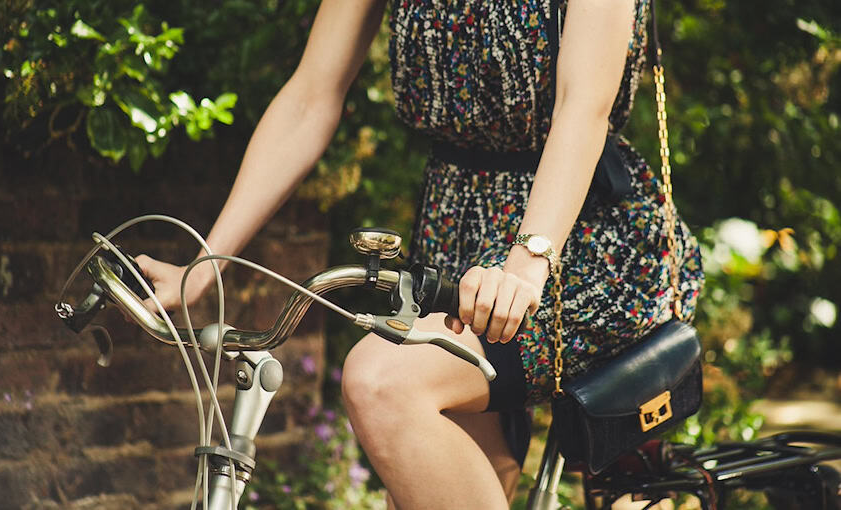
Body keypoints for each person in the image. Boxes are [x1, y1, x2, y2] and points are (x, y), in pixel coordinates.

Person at [136, 0, 705, 508]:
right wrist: (206, 265)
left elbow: (582, 111)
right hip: (454, 226)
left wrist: (528, 264)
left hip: (577, 234)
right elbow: (311, 96)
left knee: (381, 382)